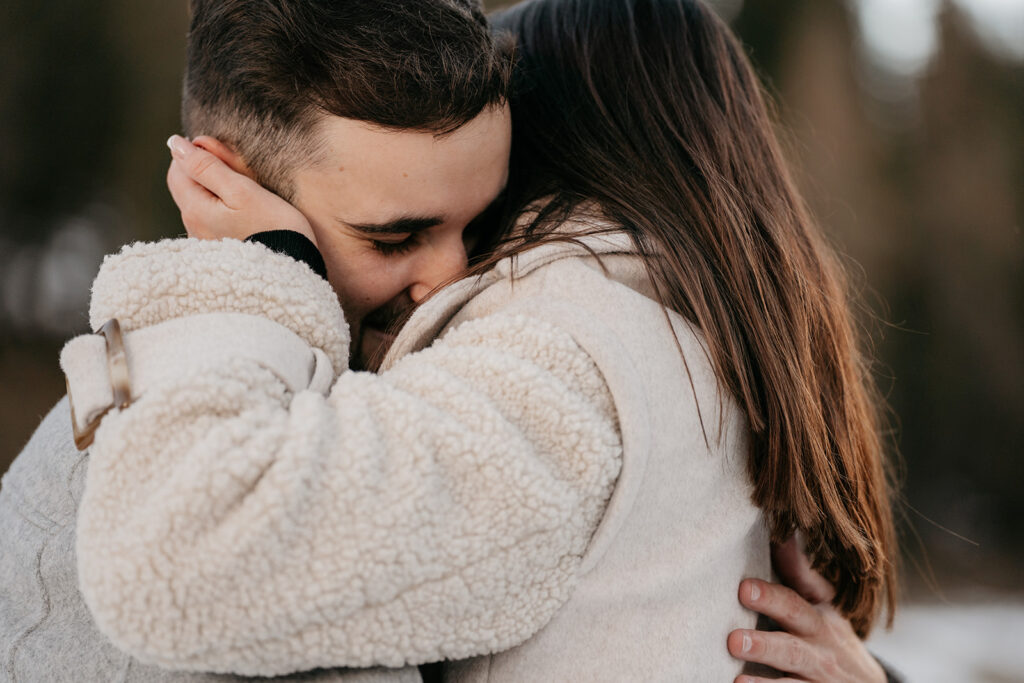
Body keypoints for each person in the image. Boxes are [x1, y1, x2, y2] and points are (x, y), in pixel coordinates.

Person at [1, 0, 895, 681]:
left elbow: (173, 557)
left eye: (491, 218)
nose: (455, 274)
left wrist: (266, 272)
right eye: (396, 235)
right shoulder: (679, 339)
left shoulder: (566, 352)